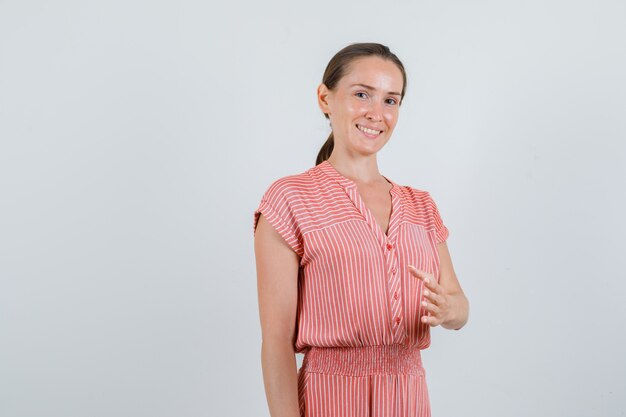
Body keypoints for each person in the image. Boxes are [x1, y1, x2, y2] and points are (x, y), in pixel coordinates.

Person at [253, 42, 469, 417]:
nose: (376, 113)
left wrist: (450, 310)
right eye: (361, 94)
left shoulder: (421, 205)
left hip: (409, 398)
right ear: (325, 98)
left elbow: (459, 304)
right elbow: (275, 343)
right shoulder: (289, 199)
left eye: (391, 100)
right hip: (330, 398)